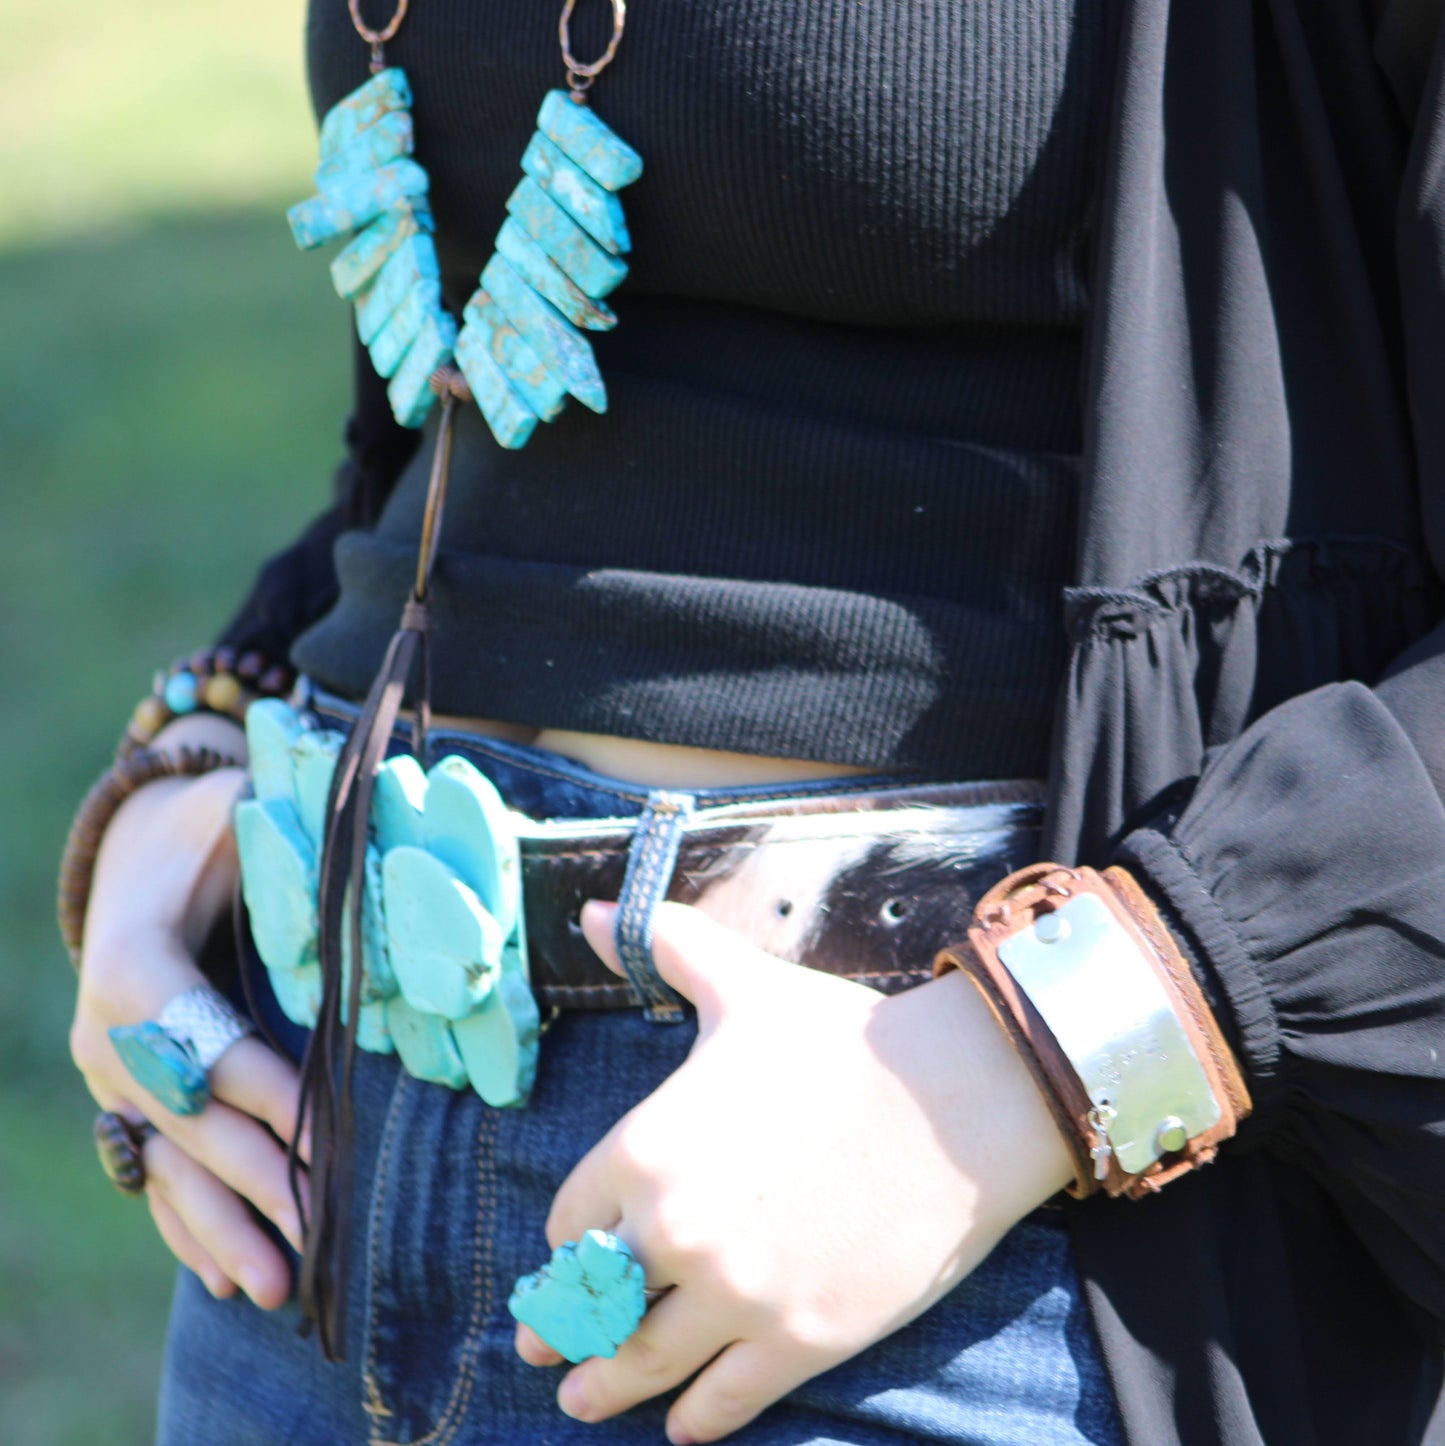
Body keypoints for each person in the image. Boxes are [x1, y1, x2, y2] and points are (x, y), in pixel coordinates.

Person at [63, 1, 1445, 1443]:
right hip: (315, 1160)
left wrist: (1025, 1064)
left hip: (919, 1202)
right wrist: (205, 749)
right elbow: (463, 417)